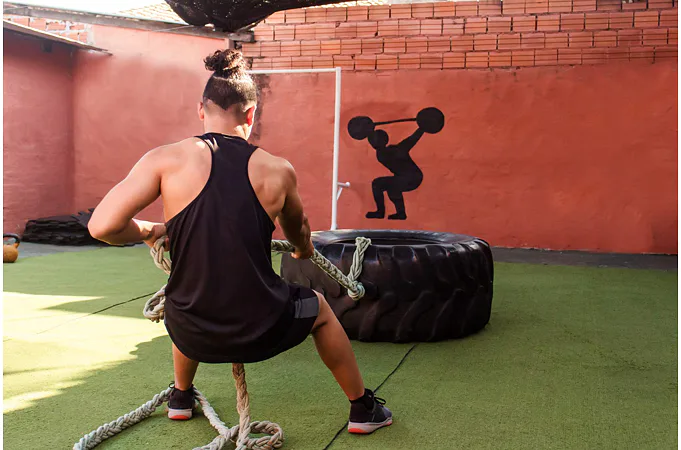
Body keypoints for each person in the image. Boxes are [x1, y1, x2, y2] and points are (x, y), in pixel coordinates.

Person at [88, 49, 392, 435]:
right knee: (319, 309)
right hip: (263, 329)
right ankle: (363, 409)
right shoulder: (278, 170)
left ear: (201, 109)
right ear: (251, 114)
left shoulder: (165, 160)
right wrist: (302, 249)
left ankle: (181, 397)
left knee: (185, 293)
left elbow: (102, 226)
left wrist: (150, 231)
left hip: (190, 332)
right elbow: (298, 234)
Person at [365, 128, 425, 220]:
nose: (371, 142)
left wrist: (421, 129)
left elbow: (412, 139)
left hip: (413, 178)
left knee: (382, 184)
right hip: (404, 177)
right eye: (371, 140)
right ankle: (398, 213)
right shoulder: (382, 154)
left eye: (373, 139)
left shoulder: (394, 150)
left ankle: (385, 212)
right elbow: (411, 140)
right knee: (389, 186)